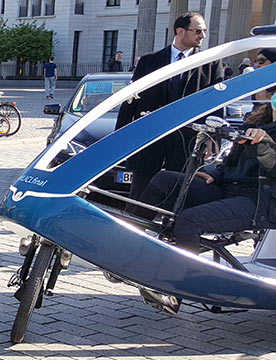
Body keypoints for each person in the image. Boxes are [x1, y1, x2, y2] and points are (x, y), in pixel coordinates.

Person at [132, 86, 276, 314]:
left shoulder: (263, 134)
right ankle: (130, 247)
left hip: (257, 202)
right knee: (164, 179)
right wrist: (214, 172)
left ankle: (176, 292)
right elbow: (229, 162)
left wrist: (266, 144)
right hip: (226, 187)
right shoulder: (255, 123)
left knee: (190, 221)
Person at [116, 12, 223, 205]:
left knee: (179, 197)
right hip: (150, 139)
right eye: (198, 31)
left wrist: (212, 138)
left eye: (204, 31)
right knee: (140, 195)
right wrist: (120, 137)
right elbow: (131, 100)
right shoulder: (149, 61)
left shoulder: (210, 65)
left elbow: (216, 104)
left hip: (185, 142)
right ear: (180, 31)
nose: (203, 36)